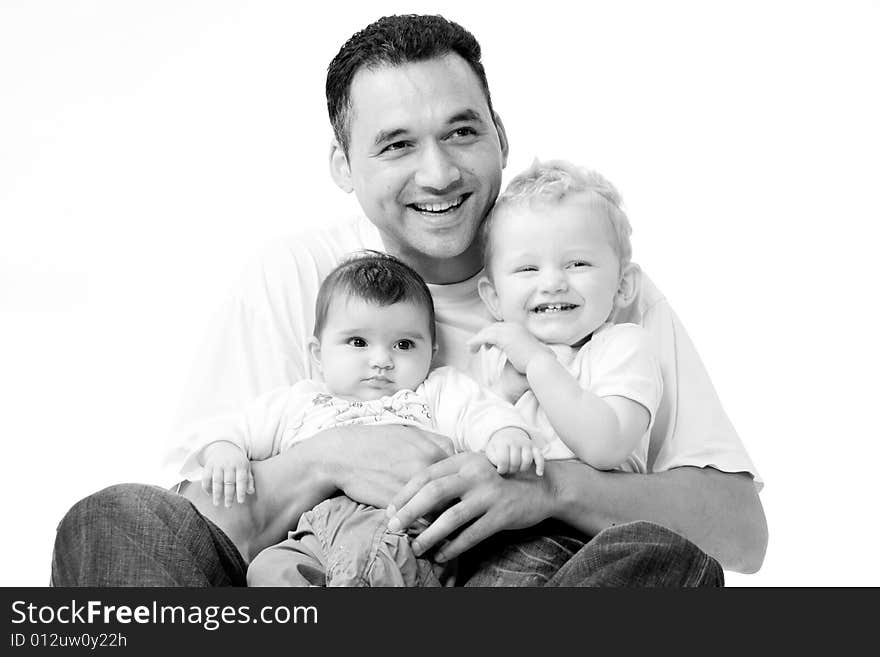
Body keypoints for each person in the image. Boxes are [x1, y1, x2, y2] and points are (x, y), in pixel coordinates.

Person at [51, 14, 766, 588]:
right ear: (344, 164)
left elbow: (739, 531)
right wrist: (332, 456)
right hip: (313, 582)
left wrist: (553, 489)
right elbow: (200, 528)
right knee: (114, 520)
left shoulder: (586, 280)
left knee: (662, 562)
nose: (439, 171)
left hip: (521, 579)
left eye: (462, 131)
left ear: (501, 136)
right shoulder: (292, 274)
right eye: (396, 144)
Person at [181, 251, 540, 586]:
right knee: (267, 571)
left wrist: (505, 434)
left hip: (399, 529)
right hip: (308, 536)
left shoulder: (434, 391)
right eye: (357, 342)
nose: (381, 360)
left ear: (430, 353)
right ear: (318, 354)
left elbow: (480, 412)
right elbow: (233, 428)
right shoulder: (299, 402)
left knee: (372, 567)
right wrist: (224, 452)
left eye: (403, 345)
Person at [468, 159, 663, 474]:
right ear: (494, 298)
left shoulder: (625, 347)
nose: (552, 284)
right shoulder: (494, 357)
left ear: (623, 285)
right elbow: (466, 441)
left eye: (578, 264)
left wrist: (536, 363)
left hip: (598, 519)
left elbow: (605, 447)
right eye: (528, 269)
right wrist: (503, 394)